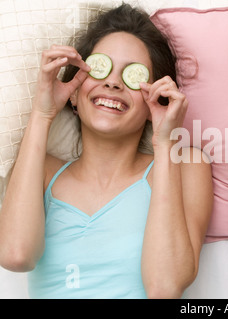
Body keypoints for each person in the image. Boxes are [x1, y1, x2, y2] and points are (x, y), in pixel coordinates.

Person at [0, 4, 213, 299]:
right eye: (100, 68)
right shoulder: (44, 171)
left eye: (131, 75)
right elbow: (15, 255)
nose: (112, 82)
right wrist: (43, 112)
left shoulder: (185, 165)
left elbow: (164, 287)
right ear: (74, 92)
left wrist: (164, 144)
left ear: (156, 99)